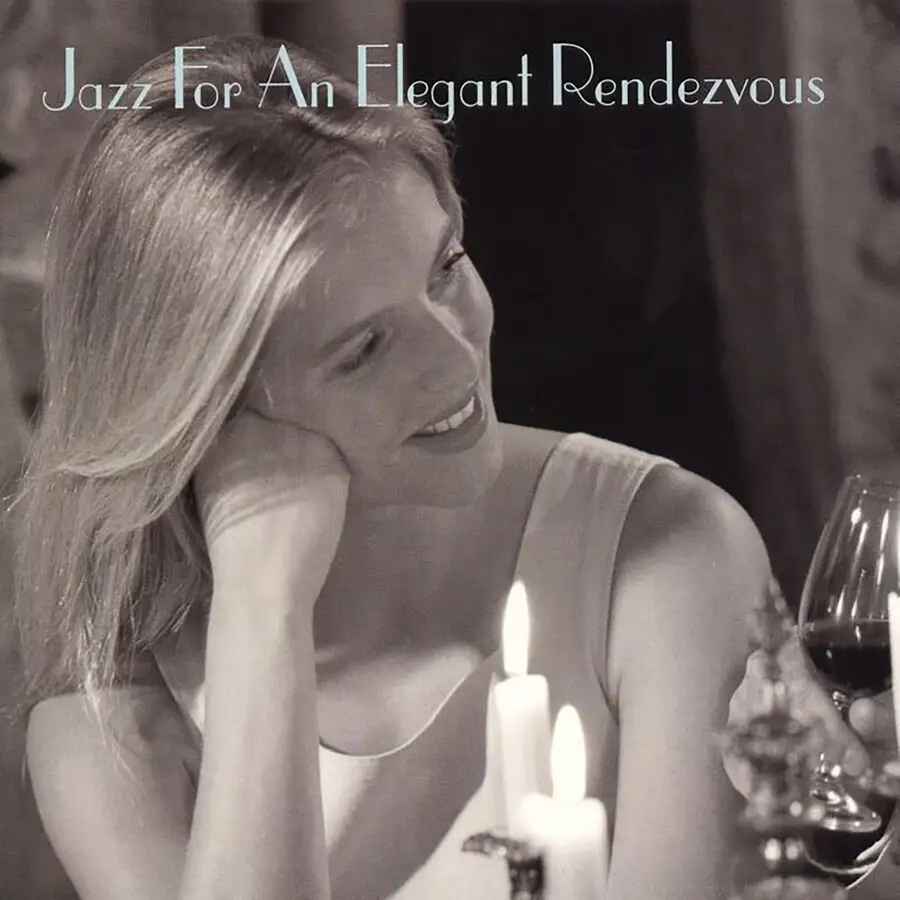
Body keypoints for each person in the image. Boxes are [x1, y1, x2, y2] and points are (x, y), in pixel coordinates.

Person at [8, 34, 803, 900]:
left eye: (445, 269)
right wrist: (263, 612)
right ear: (211, 408)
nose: (456, 359)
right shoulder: (106, 728)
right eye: (364, 348)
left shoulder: (664, 553)